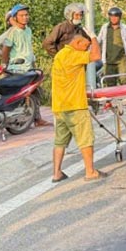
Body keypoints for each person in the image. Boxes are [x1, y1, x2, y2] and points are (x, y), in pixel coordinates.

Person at [50, 27, 105, 183]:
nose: (87, 48)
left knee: (60, 141)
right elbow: (96, 56)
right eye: (85, 45)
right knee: (85, 139)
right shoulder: (73, 55)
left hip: (60, 106)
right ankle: (90, 171)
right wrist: (94, 38)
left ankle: (57, 173)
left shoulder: (60, 54)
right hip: (74, 106)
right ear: (78, 42)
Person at [1, 3, 51, 128]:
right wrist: (4, 65)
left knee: (34, 92)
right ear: (15, 17)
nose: (25, 17)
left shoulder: (28, 30)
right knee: (20, 95)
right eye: (22, 15)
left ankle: (36, 118)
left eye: (26, 15)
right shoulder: (12, 32)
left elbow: (29, 49)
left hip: (28, 67)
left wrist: (33, 64)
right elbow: (5, 49)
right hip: (17, 68)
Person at [97, 7, 126, 78]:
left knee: (124, 78)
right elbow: (98, 40)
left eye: (116, 17)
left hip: (121, 58)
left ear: (119, 17)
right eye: (111, 17)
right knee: (109, 80)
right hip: (108, 59)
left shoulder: (125, 28)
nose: (113, 19)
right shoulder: (105, 27)